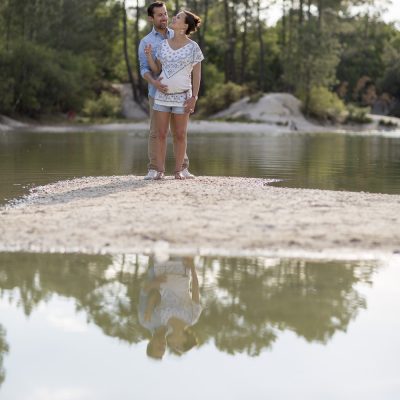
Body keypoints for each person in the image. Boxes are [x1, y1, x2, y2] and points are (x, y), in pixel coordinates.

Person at [143, 9, 204, 180]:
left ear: (184, 26)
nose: (173, 19)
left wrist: (194, 97)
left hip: (183, 97)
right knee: (161, 134)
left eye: (178, 17)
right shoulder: (163, 45)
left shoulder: (193, 47)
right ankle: (159, 171)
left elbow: (197, 75)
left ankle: (178, 171)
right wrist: (148, 56)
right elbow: (156, 69)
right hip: (162, 97)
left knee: (180, 134)